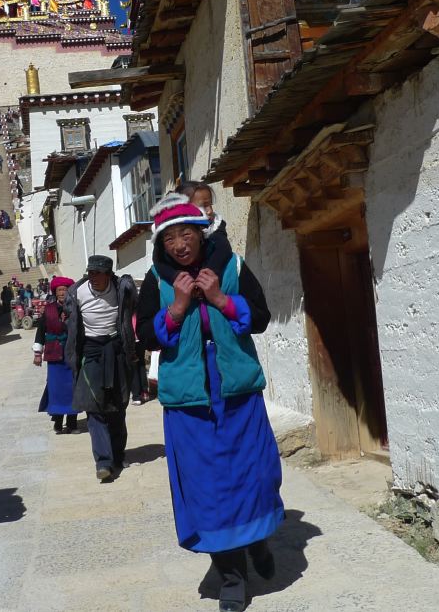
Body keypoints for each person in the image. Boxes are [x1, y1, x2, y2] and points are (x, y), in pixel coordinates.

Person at [136, 194, 282, 612]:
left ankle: (257, 539)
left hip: (237, 392)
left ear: (201, 234)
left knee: (255, 475)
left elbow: (261, 317)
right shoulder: (156, 279)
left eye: (186, 234)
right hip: (190, 402)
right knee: (208, 488)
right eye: (169, 239)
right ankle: (231, 577)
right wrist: (178, 308)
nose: (179, 245)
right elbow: (145, 336)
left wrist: (220, 299)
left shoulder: (232, 267)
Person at [65, 255, 137, 482]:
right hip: (91, 352)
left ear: (108, 274)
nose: (93, 278)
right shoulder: (77, 293)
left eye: (98, 273)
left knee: (117, 407)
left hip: (116, 350)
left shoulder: (121, 289)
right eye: (90, 273)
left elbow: (134, 307)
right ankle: (103, 462)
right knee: (93, 408)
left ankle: (117, 454)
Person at [33, 277, 80, 435]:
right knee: (56, 389)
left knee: (72, 388)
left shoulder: (75, 309)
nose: (62, 293)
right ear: (55, 292)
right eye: (59, 290)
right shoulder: (48, 310)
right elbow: (41, 332)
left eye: (65, 290)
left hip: (71, 354)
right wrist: (38, 353)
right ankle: (58, 422)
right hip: (54, 355)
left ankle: (72, 423)